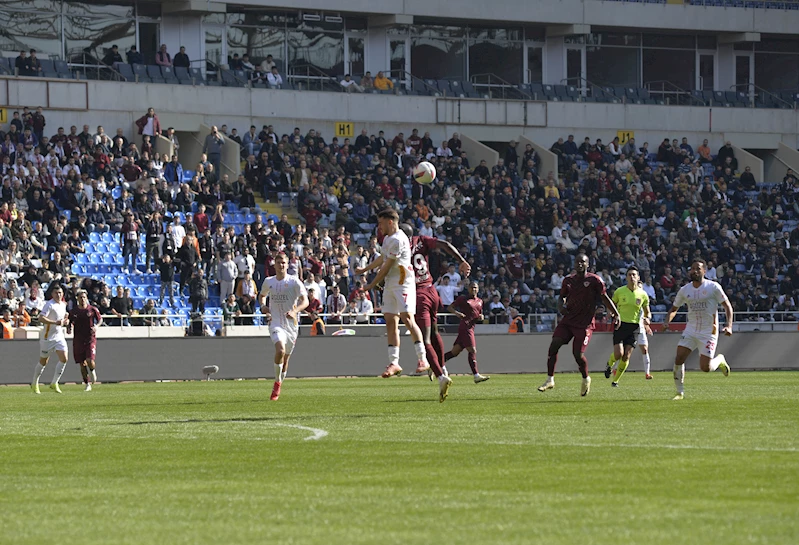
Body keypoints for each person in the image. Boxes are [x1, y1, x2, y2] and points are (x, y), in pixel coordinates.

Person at [363, 210, 431, 385]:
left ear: (391, 222)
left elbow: (387, 266)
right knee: (390, 321)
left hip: (402, 283)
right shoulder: (387, 239)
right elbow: (382, 260)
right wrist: (364, 270)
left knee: (408, 319)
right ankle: (394, 363)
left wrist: (371, 284)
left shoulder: (399, 240)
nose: (379, 227)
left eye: (381, 223)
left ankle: (422, 359)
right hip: (391, 284)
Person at [538, 253, 619, 396]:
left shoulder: (595, 280)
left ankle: (586, 378)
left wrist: (616, 313)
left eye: (582, 262)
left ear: (588, 264)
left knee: (577, 354)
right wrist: (560, 306)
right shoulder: (568, 280)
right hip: (568, 320)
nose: (579, 264)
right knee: (554, 344)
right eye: (577, 262)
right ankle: (550, 379)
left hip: (584, 324)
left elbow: (604, 298)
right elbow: (561, 297)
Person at [665, 258, 733, 400]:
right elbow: (674, 308)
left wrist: (729, 325)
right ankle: (679, 392)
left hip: (709, 331)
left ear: (704, 271)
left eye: (698, 268)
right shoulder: (685, 290)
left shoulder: (713, 287)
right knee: (679, 358)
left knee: (705, 368)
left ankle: (719, 359)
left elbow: (727, 306)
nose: (694, 271)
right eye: (692, 268)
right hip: (691, 329)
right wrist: (666, 322)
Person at [258, 252, 309, 401]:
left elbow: (305, 301)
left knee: (286, 360)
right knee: (279, 350)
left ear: (288, 265)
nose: (281, 265)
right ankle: (276, 383)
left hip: (291, 326)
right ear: (274, 264)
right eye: (279, 262)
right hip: (275, 322)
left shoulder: (294, 282)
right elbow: (262, 295)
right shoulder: (269, 281)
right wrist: (262, 306)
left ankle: (280, 381)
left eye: (284, 262)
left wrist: (295, 311)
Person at [604, 267, 650, 387]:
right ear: (626, 277)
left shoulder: (643, 294)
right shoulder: (619, 291)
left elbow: (647, 311)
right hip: (620, 324)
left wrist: (647, 318)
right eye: (629, 275)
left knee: (626, 356)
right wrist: (608, 316)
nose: (632, 277)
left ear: (638, 277)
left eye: (634, 275)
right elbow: (612, 306)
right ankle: (609, 364)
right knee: (618, 354)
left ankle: (615, 381)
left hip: (634, 327)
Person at [445, 281, 490, 383]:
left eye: (475, 288)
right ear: (468, 289)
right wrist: (457, 313)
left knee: (454, 352)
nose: (473, 289)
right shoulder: (463, 299)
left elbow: (479, 314)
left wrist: (481, 317)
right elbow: (449, 307)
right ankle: (476, 375)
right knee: (472, 350)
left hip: (471, 327)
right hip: (465, 327)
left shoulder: (480, 301)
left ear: (478, 289)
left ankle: (435, 365)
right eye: (472, 288)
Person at [31, 284, 69, 394]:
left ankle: (54, 383)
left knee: (64, 358)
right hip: (47, 337)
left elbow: (62, 320)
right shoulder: (49, 305)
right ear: (52, 294)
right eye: (56, 293)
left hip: (59, 336)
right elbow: (41, 318)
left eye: (60, 293)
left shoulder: (63, 304)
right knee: (43, 362)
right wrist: (55, 323)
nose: (59, 295)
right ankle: (35, 382)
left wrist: (65, 322)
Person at [66, 289, 102, 391]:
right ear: (77, 298)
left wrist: (96, 326)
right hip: (78, 339)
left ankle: (92, 370)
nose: (82, 299)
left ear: (87, 298)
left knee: (90, 360)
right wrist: (69, 328)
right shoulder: (73, 311)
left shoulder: (92, 309)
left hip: (90, 338)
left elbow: (100, 319)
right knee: (82, 363)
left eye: (84, 297)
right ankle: (87, 384)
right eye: (80, 297)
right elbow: (70, 322)